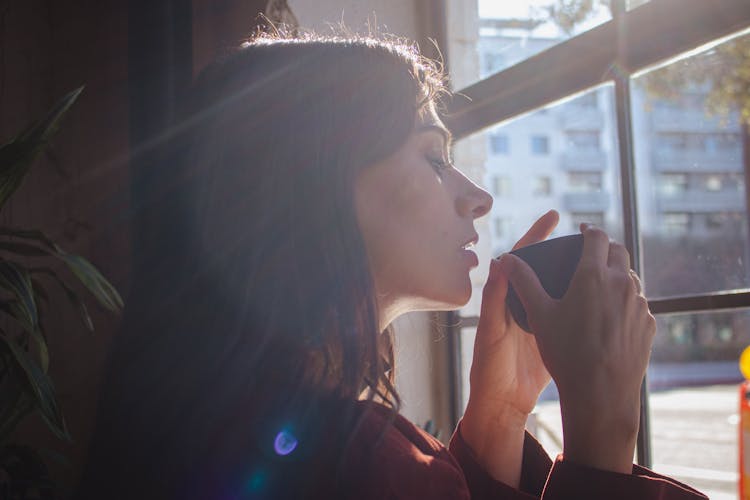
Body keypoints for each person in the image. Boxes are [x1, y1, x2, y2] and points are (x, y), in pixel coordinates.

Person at [76, 31, 707, 499]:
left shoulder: (213, 419)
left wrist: (500, 415)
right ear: (311, 183)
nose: (478, 198)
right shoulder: (354, 463)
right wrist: (602, 431)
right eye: (433, 158)